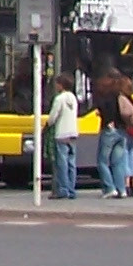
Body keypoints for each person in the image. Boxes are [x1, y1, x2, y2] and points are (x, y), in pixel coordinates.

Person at [93, 68, 133, 198]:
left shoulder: (106, 93)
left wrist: (102, 114)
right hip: (123, 131)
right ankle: (122, 189)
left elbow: (103, 109)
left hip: (110, 130)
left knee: (102, 161)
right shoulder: (124, 93)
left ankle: (110, 188)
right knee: (118, 162)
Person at [45, 72, 80, 200]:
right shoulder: (73, 98)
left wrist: (48, 123)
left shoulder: (59, 99)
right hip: (73, 133)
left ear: (61, 85)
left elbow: (53, 117)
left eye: (57, 84)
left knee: (62, 163)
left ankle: (63, 189)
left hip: (61, 133)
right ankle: (72, 190)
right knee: (72, 163)